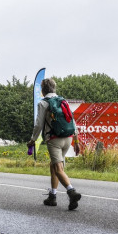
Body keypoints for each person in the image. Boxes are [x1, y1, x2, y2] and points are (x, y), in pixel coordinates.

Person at [27, 78, 82, 210]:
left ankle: (72, 192)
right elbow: (72, 120)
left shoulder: (43, 103)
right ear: (54, 88)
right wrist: (76, 141)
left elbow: (38, 124)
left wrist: (33, 140)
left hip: (54, 139)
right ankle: (52, 196)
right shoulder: (63, 101)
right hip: (68, 138)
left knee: (58, 169)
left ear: (43, 90)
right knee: (54, 166)